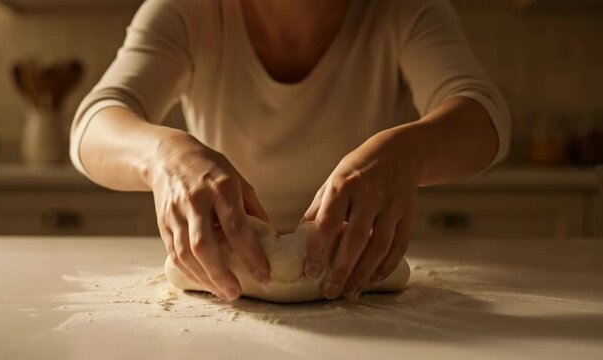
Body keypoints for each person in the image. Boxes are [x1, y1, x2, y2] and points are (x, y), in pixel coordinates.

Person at [70, 0, 510, 301]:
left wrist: (408, 151)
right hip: (220, 256)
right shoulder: (190, 9)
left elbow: (483, 115)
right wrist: (165, 157)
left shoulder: (401, 7)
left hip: (357, 259)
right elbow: (95, 122)